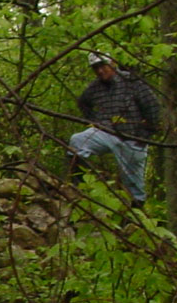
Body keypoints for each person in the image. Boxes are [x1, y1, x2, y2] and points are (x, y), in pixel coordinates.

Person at [68, 51, 159, 207]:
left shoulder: (132, 82)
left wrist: (145, 134)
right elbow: (83, 102)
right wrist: (95, 121)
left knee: (135, 186)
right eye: (95, 68)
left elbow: (152, 106)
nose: (100, 71)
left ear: (112, 64)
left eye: (103, 66)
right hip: (107, 132)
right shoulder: (94, 88)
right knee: (77, 141)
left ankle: (136, 218)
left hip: (133, 137)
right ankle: (80, 190)